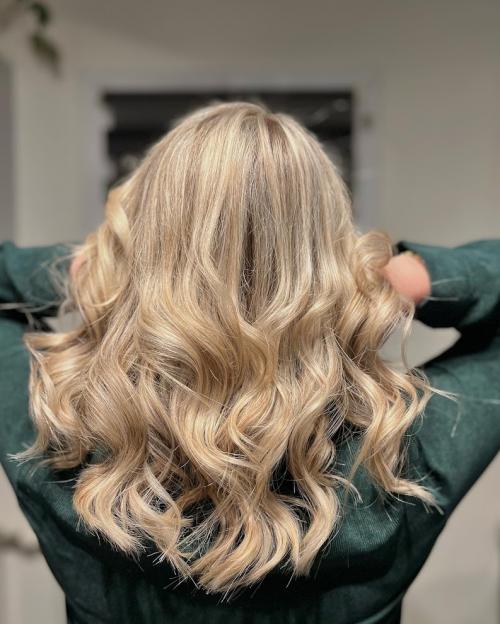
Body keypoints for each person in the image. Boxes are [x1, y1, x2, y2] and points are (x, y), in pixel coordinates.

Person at [0, 101, 498, 624]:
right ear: (331, 256)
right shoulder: (399, 456)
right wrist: (399, 279)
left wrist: (92, 273)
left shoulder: (54, 434)